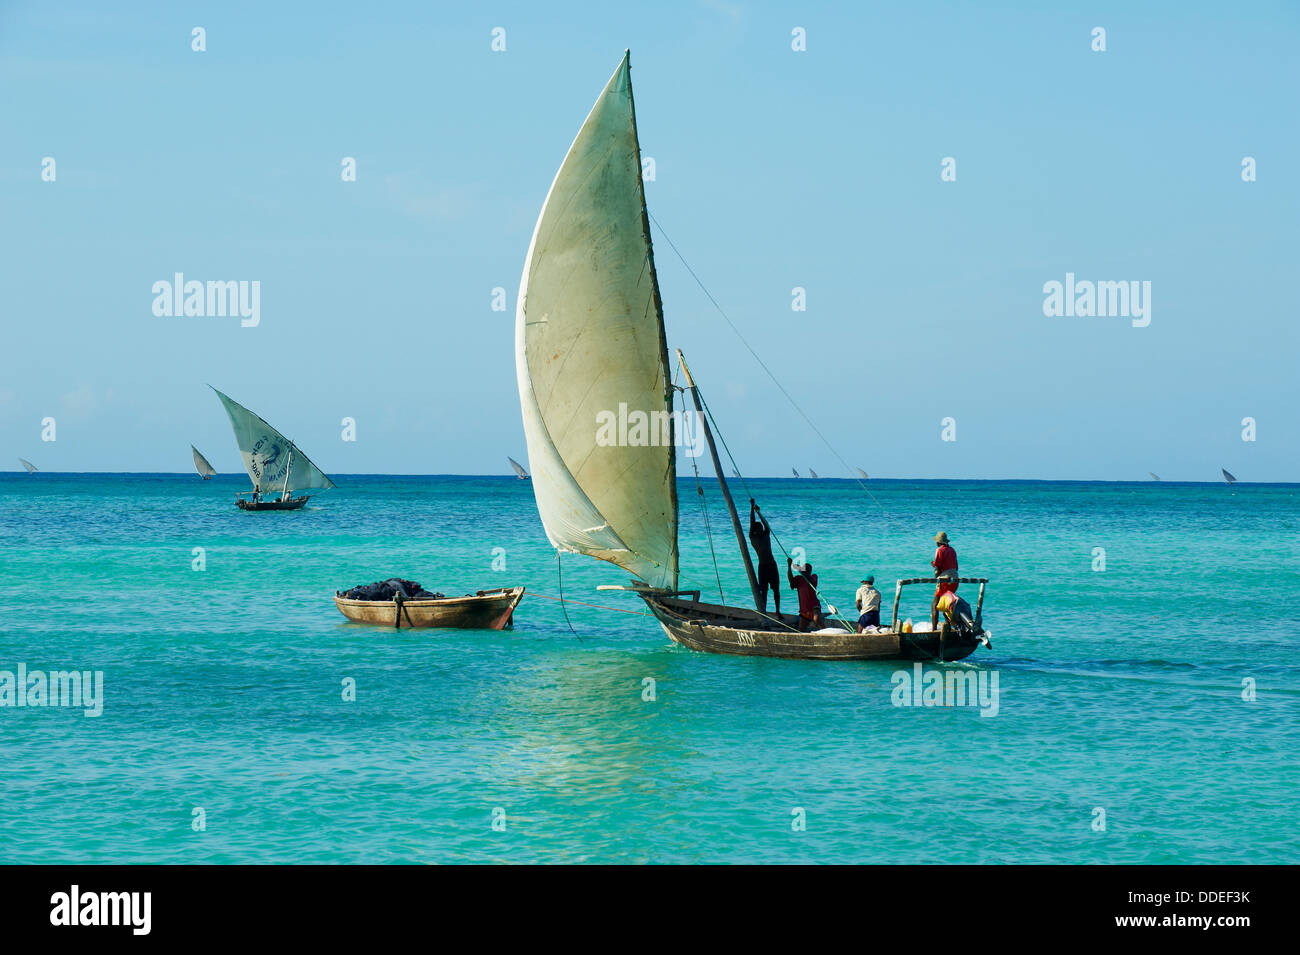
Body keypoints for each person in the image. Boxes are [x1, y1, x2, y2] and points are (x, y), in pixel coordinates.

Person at [749, 500, 780, 616]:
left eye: (761, 528)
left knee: (776, 590)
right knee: (764, 591)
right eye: (759, 528)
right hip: (763, 566)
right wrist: (751, 508)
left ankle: (777, 611)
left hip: (772, 565)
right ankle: (764, 612)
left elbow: (766, 524)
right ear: (755, 531)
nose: (761, 529)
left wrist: (759, 513)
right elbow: (752, 522)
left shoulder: (766, 534)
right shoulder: (753, 537)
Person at [930, 531, 959, 630]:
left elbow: (937, 569)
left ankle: (933, 629)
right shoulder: (952, 550)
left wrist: (936, 576)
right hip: (955, 580)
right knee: (945, 604)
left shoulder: (939, 550)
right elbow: (956, 567)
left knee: (935, 604)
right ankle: (949, 627)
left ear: (938, 542)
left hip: (945, 581)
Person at [787, 557, 824, 631]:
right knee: (801, 629)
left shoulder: (814, 577)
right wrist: (789, 566)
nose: (805, 570)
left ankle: (826, 631)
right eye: (805, 568)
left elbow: (810, 579)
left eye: (807, 569)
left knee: (816, 619)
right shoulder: (799, 579)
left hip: (814, 606)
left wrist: (799, 568)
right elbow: (791, 580)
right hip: (804, 609)